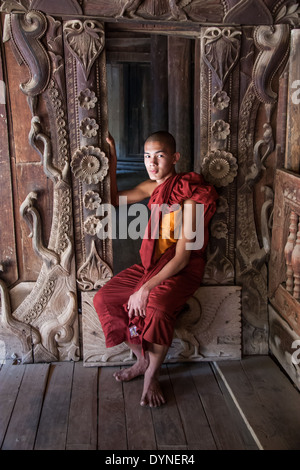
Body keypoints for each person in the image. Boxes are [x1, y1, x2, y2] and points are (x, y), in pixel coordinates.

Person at [93, 131, 218, 407]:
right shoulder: (153, 188)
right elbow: (114, 199)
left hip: (181, 270)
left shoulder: (189, 196)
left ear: (174, 158)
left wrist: (145, 290)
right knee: (104, 299)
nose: (152, 163)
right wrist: (112, 161)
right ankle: (141, 360)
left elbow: (183, 258)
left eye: (159, 156)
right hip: (151, 267)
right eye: (147, 156)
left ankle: (152, 374)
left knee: (158, 307)